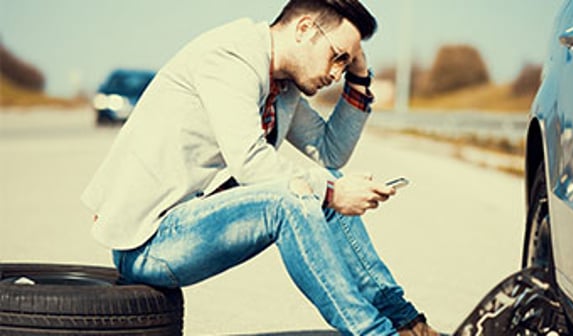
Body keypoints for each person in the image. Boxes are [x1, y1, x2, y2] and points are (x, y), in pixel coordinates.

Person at [82, 0, 441, 335]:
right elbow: (250, 161)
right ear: (304, 29)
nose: (335, 73)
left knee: (323, 182)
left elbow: (329, 153)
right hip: (149, 241)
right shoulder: (230, 58)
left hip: (193, 223)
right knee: (294, 200)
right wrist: (332, 194)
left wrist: (359, 79)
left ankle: (407, 323)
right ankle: (374, 333)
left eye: (345, 63)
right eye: (337, 57)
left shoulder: (282, 86)